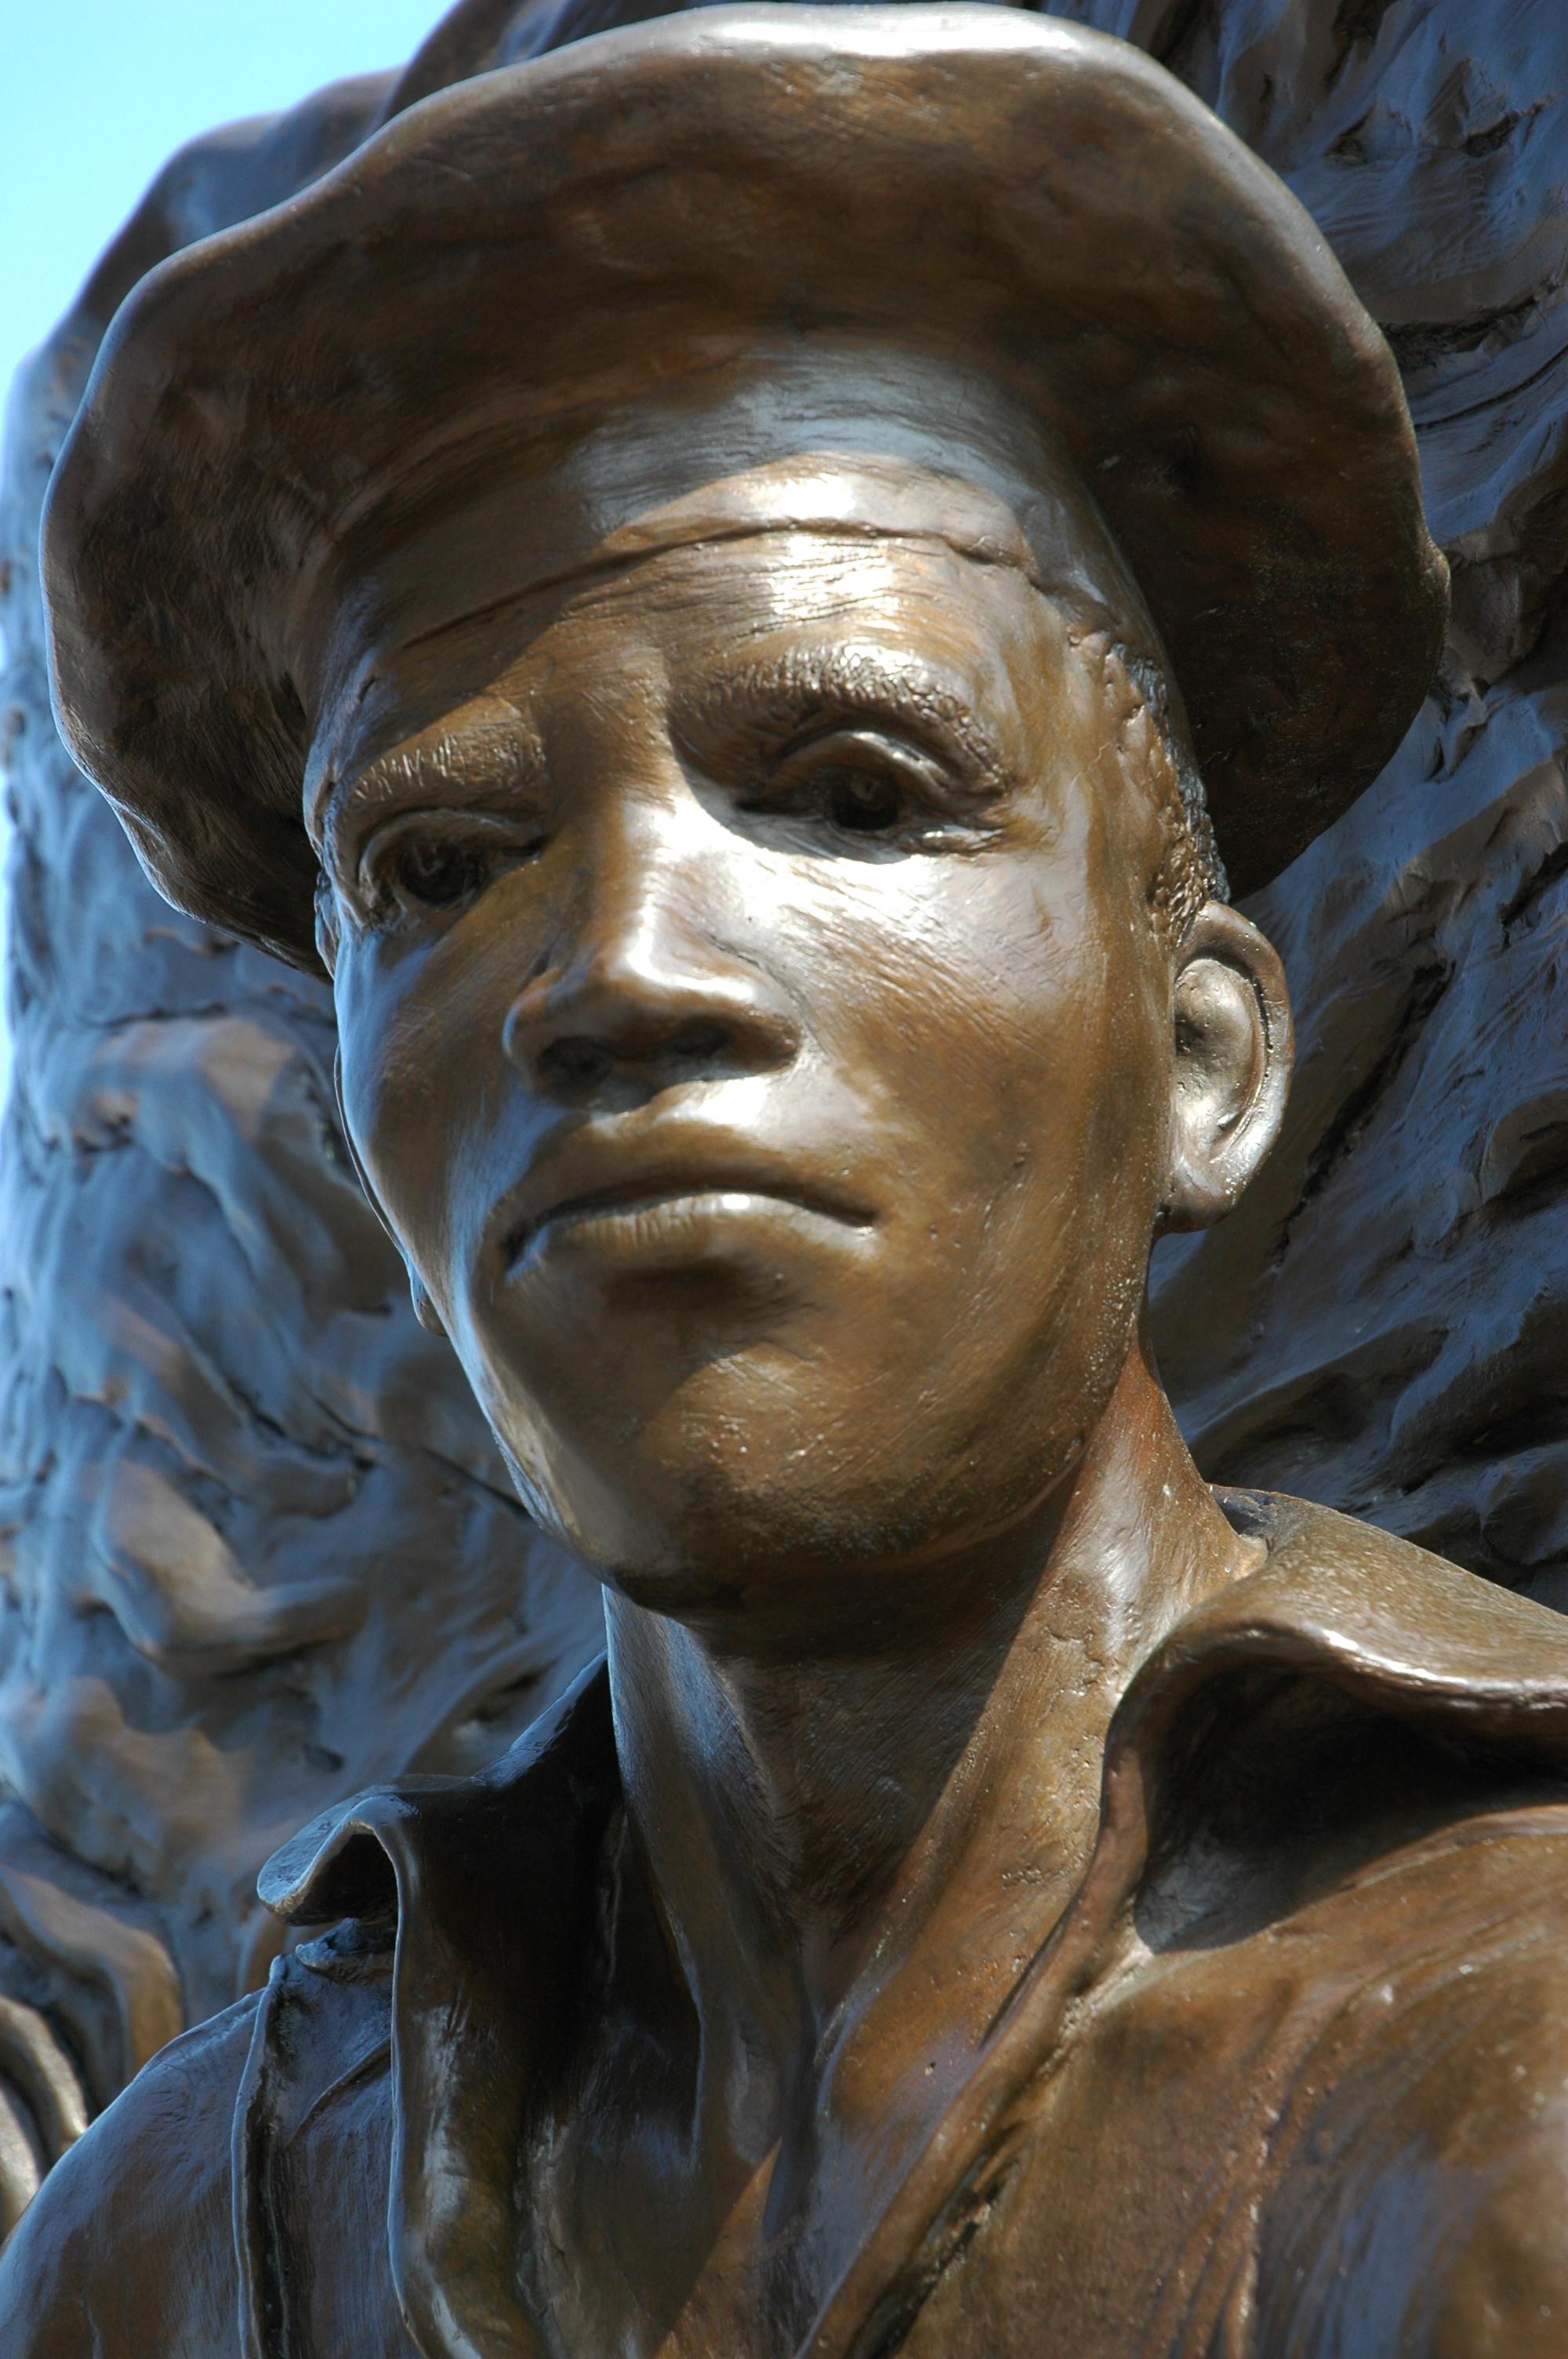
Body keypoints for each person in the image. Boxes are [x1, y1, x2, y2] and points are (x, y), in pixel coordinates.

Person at [9, 8, 1568, 2353]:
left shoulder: (1510, 2087)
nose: (619, 971)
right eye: (443, 862)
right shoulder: (171, 2252)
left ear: (1207, 1063)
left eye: (846, 792)